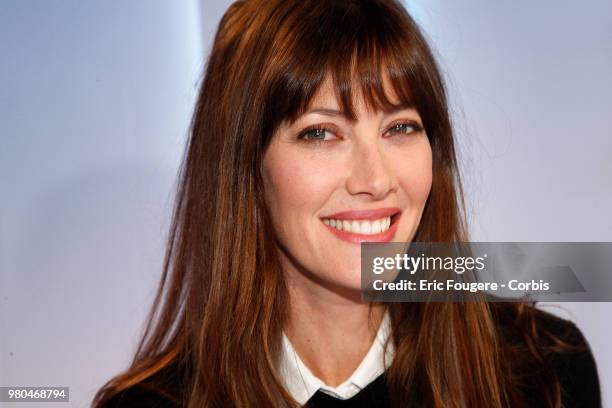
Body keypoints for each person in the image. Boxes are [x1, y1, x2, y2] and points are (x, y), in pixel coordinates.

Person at [93, 0, 601, 407]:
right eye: (321, 133)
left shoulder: (543, 373)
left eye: (400, 127)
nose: (376, 179)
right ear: (245, 165)